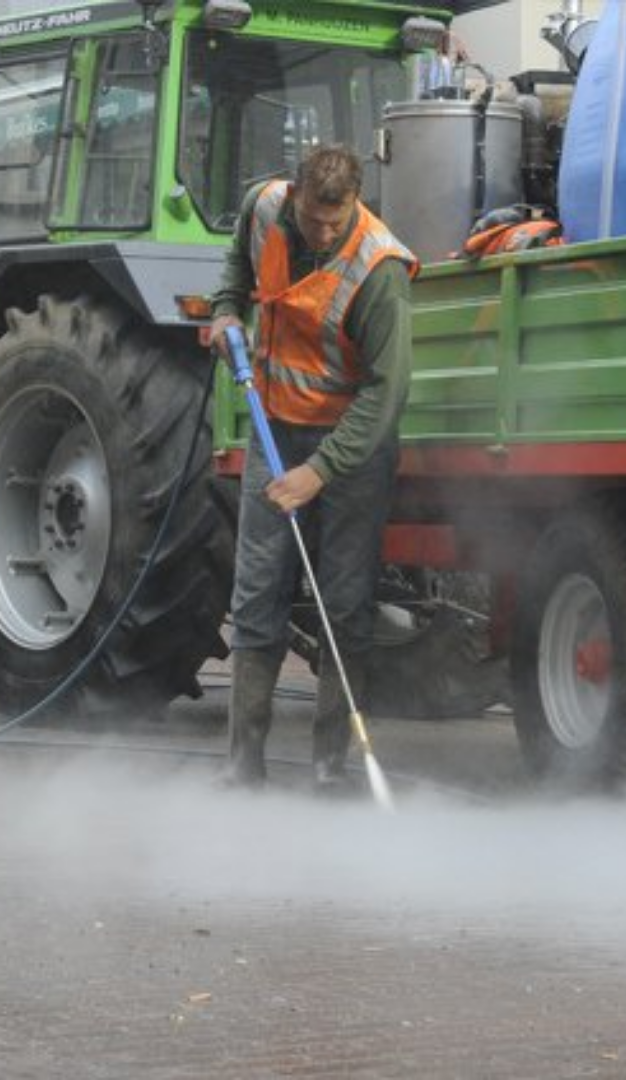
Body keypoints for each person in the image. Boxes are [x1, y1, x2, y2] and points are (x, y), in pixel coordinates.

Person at [210, 145, 418, 790]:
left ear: (355, 204)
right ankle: (243, 765)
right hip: (275, 428)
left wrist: (319, 471)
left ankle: (330, 766)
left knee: (344, 604)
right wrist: (224, 310)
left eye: (338, 221)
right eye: (314, 220)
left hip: (351, 451)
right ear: (295, 194)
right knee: (255, 595)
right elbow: (236, 271)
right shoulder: (264, 209)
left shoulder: (376, 269)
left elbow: (387, 394)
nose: (324, 234)